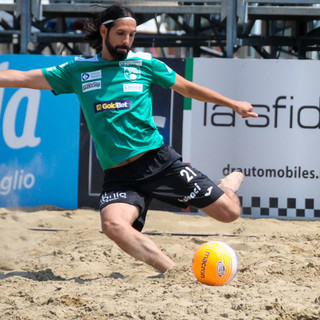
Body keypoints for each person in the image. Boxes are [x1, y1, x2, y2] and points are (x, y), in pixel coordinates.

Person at [0, 4, 258, 273]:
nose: (127, 41)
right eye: (121, 33)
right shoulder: (77, 71)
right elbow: (22, 77)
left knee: (229, 214)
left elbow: (189, 89)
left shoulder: (145, 64)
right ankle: (172, 271)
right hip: (119, 174)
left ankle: (228, 184)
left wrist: (233, 104)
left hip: (158, 163)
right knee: (112, 225)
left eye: (132, 35)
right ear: (104, 31)